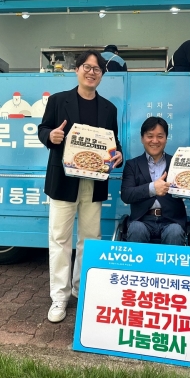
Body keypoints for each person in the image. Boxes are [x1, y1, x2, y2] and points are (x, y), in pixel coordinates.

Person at [38, 50, 123, 323]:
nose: (91, 72)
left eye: (97, 69)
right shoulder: (58, 100)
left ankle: (81, 288)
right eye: (87, 67)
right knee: (60, 239)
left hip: (93, 183)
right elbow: (43, 129)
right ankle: (59, 297)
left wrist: (118, 155)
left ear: (102, 75)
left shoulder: (109, 109)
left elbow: (114, 143)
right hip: (63, 181)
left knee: (90, 238)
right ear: (77, 69)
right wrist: (51, 135)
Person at [121, 117, 190, 245]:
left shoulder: (179, 163)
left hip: (172, 221)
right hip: (142, 220)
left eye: (160, 136)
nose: (155, 141)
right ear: (142, 138)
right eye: (150, 136)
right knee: (136, 229)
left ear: (166, 139)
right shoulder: (132, 165)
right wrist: (152, 188)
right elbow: (126, 195)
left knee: (175, 231)